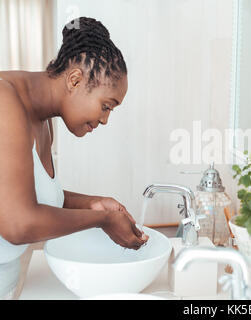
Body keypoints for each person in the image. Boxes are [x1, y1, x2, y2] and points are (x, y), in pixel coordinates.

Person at [0, 17, 148, 299]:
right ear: (75, 79)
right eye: (106, 106)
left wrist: (93, 203)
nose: (105, 120)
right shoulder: (3, 101)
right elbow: (17, 223)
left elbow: (21, 195)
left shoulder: (44, 121)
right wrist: (102, 220)